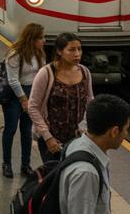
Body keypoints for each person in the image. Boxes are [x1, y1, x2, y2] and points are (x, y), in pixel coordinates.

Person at [59, 95, 130, 214]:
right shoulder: (86, 173)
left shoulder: (76, 144)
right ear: (114, 131)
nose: (126, 135)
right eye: (126, 129)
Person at [29, 32, 94, 163]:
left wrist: (85, 128)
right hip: (52, 140)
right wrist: (47, 137)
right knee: (54, 177)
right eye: (71, 50)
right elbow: (33, 107)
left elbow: (90, 101)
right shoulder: (46, 73)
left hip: (77, 139)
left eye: (79, 49)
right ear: (59, 51)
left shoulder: (84, 72)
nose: (77, 54)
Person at [1, 23, 46, 179]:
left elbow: (41, 73)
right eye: (40, 38)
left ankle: (25, 164)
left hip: (32, 93)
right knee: (11, 129)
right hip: (15, 95)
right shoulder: (15, 54)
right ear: (31, 39)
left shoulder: (39, 53)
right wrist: (23, 100)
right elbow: (13, 80)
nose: (43, 41)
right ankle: (6, 163)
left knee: (26, 131)